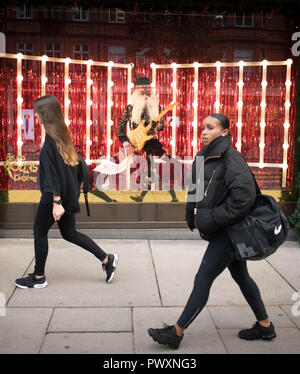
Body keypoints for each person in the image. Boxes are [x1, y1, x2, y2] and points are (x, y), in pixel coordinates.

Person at [148, 113, 276, 349]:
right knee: (242, 278)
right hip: (223, 230)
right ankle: (265, 325)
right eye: (202, 127)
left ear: (225, 132)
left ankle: (176, 332)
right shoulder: (206, 156)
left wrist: (213, 218)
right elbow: (198, 191)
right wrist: (193, 215)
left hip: (227, 232)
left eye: (210, 128)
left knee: (203, 278)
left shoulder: (231, 158)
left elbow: (244, 199)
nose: (204, 132)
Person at [15, 94, 118, 289]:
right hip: (68, 195)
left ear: (45, 116)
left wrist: (56, 202)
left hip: (54, 196)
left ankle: (38, 277)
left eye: (38, 113)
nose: (36, 117)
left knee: (39, 231)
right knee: (69, 233)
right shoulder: (63, 136)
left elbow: (53, 175)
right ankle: (107, 259)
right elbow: (73, 167)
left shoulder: (50, 143)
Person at [117, 76, 178, 202]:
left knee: (166, 164)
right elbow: (120, 129)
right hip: (136, 142)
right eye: (141, 90)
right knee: (138, 168)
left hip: (151, 141)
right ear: (135, 91)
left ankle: (174, 191)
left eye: (147, 90)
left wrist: (160, 125)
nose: (145, 93)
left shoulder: (157, 108)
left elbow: (161, 126)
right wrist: (127, 144)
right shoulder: (130, 109)